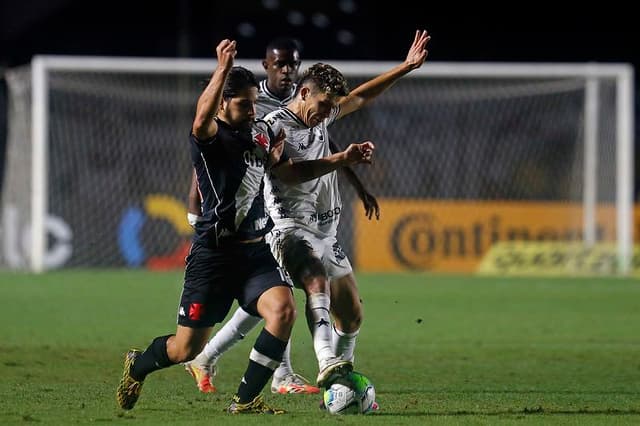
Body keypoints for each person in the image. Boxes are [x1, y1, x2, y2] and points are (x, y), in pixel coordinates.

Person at [115, 38, 376, 415]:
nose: (253, 110)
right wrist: (221, 70)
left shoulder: (262, 133)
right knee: (185, 347)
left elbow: (291, 172)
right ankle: (138, 365)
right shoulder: (209, 138)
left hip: (254, 250)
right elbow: (201, 117)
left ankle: (245, 400)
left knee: (282, 309)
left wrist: (333, 160)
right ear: (223, 103)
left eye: (255, 102)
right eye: (244, 103)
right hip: (214, 256)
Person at [190, 30, 430, 397]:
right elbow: (288, 172)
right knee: (310, 286)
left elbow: (362, 96)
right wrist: (341, 158)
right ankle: (326, 366)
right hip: (286, 228)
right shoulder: (274, 127)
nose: (326, 114)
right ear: (304, 94)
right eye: (322, 105)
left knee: (350, 314)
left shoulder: (323, 115)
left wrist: (406, 67)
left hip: (325, 232)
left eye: (331, 107)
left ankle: (337, 374)